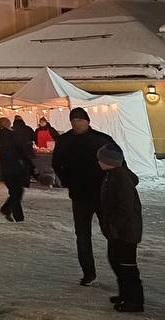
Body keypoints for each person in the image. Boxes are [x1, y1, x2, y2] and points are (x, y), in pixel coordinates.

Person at [52, 106, 115, 286]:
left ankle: (120, 267)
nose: (76, 123)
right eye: (73, 120)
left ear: (87, 121)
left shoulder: (101, 140)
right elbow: (57, 163)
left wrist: (114, 184)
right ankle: (88, 272)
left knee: (110, 232)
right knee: (82, 235)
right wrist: (66, 181)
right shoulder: (65, 141)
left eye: (79, 120)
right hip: (79, 195)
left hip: (101, 194)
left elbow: (117, 161)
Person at [97, 143, 144, 313]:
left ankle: (134, 301)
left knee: (127, 266)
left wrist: (114, 226)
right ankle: (125, 294)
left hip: (125, 231)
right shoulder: (112, 174)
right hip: (118, 230)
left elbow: (125, 207)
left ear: (109, 161)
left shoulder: (120, 178)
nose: (98, 161)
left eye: (100, 159)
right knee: (116, 261)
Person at [0, 117, 32, 222]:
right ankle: (7, 209)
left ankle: (17, 216)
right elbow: (22, 152)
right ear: (8, 124)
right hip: (16, 167)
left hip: (5, 168)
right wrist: (30, 164)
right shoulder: (14, 136)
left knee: (14, 192)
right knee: (17, 191)